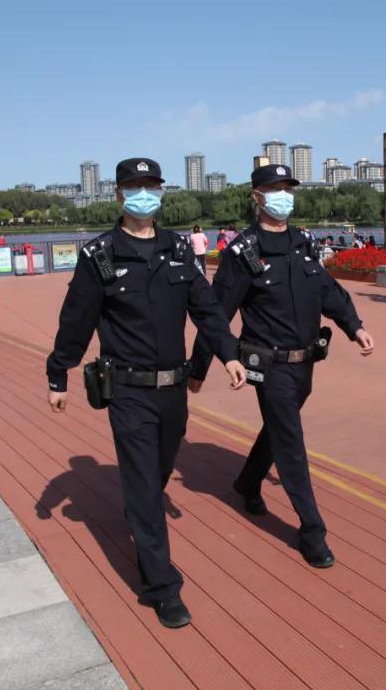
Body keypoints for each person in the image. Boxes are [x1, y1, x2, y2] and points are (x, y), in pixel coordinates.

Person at [45, 157, 246, 629]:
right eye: (133, 185)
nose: (143, 192)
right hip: (129, 391)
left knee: (157, 471)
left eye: (150, 185)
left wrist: (229, 354)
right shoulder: (99, 255)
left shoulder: (179, 250)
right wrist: (59, 375)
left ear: (161, 192)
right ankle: (161, 586)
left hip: (173, 390)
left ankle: (142, 509)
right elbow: (76, 320)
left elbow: (208, 311)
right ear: (118, 194)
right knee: (141, 482)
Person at [190, 163, 375, 570]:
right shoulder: (243, 252)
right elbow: (216, 313)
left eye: (287, 187)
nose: (283, 195)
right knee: (291, 442)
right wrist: (199, 367)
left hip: (306, 360)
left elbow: (326, 289)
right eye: (273, 188)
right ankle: (312, 531)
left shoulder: (304, 242)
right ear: (256, 197)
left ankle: (247, 481)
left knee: (279, 428)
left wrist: (353, 325)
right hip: (268, 364)